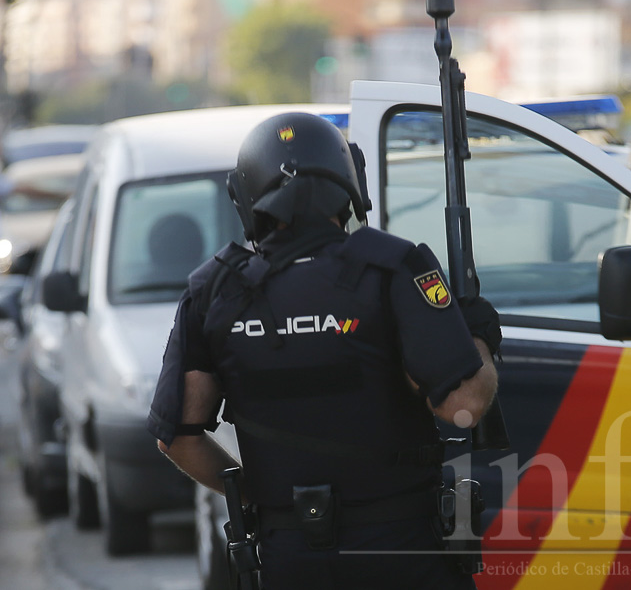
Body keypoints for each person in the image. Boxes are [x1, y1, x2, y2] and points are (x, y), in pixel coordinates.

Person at [146, 112, 500, 589]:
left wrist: (261, 493)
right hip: (402, 549)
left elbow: (177, 436)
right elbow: (463, 407)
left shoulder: (213, 291)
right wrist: (476, 336)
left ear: (246, 195)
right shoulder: (396, 267)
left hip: (289, 555)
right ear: (350, 181)